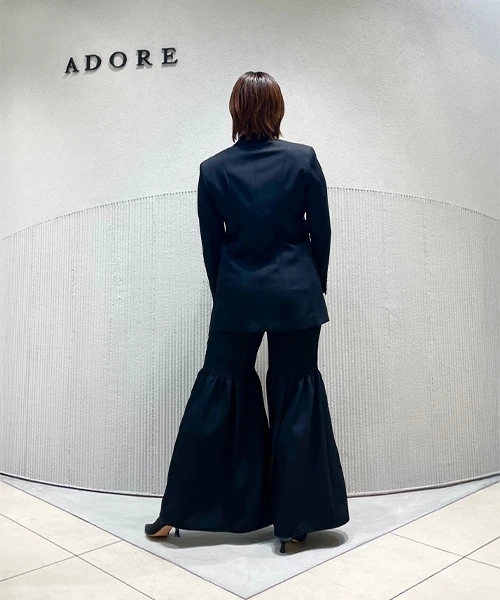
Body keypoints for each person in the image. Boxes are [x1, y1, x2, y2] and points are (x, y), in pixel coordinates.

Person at [145, 71, 349, 554]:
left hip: (237, 293)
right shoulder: (303, 159)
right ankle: (295, 524)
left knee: (218, 391)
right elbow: (321, 232)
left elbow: (211, 246)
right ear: (277, 108)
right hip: (296, 293)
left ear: (235, 110)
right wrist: (312, 285)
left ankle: (179, 512)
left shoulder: (213, 169)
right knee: (295, 395)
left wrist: (227, 294)